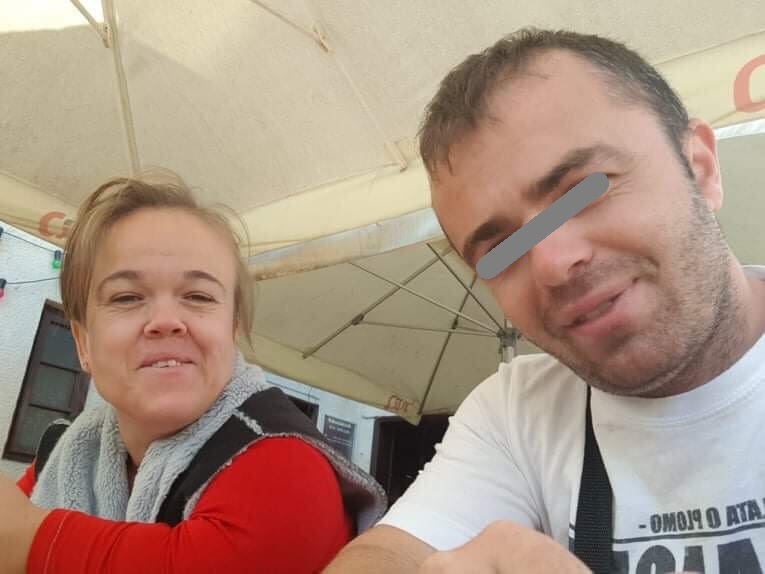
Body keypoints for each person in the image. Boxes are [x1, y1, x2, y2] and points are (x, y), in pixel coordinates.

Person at [324, 27, 765, 574]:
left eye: (584, 190)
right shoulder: (518, 411)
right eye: (502, 250)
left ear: (700, 168)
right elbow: (386, 555)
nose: (553, 263)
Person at [0, 176, 386, 574]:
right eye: (126, 297)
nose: (166, 320)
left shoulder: (289, 468)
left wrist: (27, 540)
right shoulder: (67, 456)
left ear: (232, 331)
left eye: (198, 296)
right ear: (83, 344)